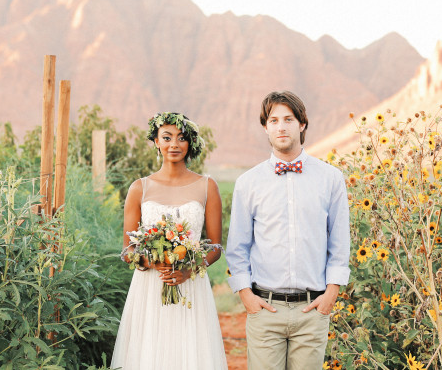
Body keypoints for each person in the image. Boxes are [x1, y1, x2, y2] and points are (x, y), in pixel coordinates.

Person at [226, 91, 350, 370]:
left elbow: (339, 243)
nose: (281, 126)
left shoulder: (331, 179)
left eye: (288, 119)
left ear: (302, 124)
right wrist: (247, 296)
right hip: (265, 309)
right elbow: (237, 247)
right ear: (265, 127)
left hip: (313, 310)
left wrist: (330, 295)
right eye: (273, 120)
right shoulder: (248, 183)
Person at [111, 112, 228, 370]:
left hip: (191, 286)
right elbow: (127, 249)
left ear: (190, 144)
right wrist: (152, 262)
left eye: (182, 138)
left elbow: (216, 246)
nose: (174, 144)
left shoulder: (208, 186)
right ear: (155, 141)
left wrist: (189, 269)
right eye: (167, 137)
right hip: (150, 288)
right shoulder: (139, 188)